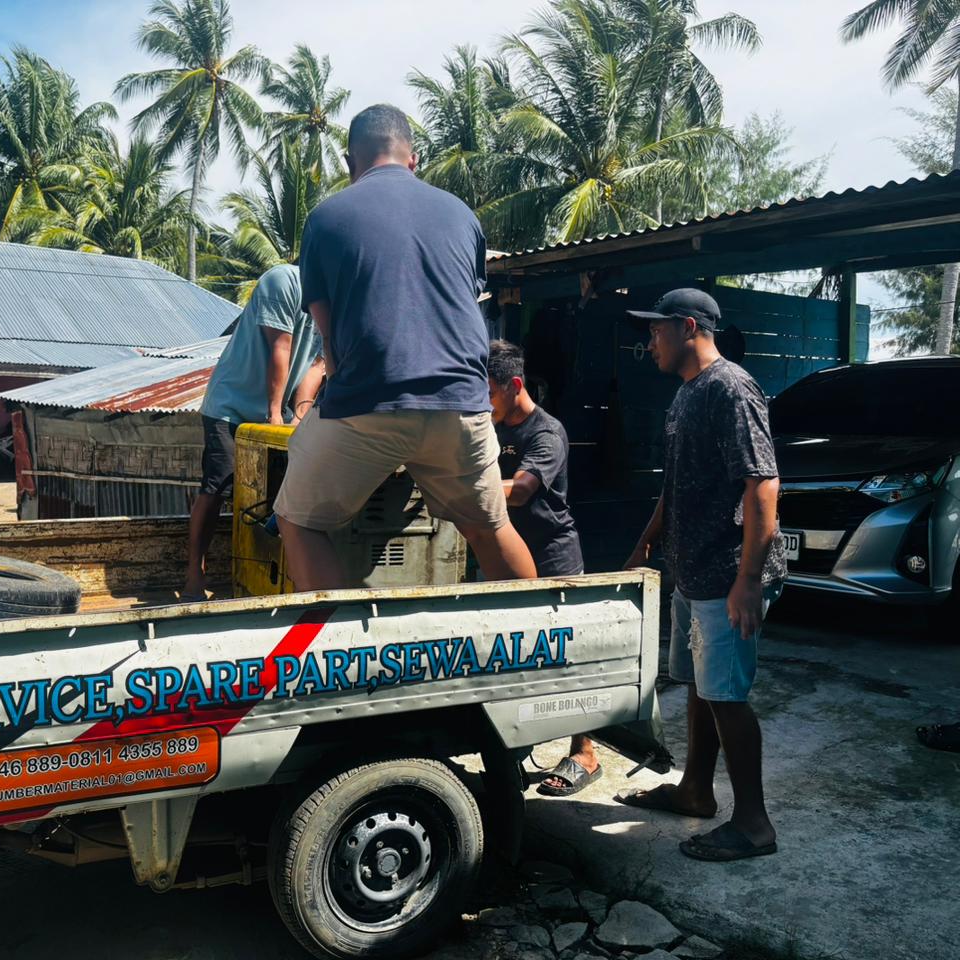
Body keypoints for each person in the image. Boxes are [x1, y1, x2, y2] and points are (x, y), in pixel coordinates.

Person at [273, 104, 537, 589]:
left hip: (368, 402)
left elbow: (329, 335)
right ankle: (537, 624)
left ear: (350, 163)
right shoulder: (462, 215)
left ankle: (336, 634)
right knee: (489, 528)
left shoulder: (326, 217)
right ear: (413, 160)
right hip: (462, 403)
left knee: (297, 519)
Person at [615, 288, 787, 862]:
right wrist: (647, 539)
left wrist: (748, 580)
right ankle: (694, 790)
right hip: (691, 571)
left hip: (726, 574)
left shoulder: (730, 388)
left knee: (727, 696)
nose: (650, 341)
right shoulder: (688, 392)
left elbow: (762, 483)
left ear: (689, 327)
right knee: (698, 686)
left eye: (656, 329)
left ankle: (754, 824)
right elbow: (677, 483)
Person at [487, 340, 596, 796]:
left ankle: (584, 752)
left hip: (553, 557)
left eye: (490, 392)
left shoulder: (546, 432)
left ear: (515, 385)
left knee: (567, 658)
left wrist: (465, 488)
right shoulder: (490, 427)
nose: (484, 402)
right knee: (511, 656)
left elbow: (522, 490)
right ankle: (514, 747)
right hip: (506, 557)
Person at [181, 264, 324, 600]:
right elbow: (280, 348)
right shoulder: (283, 281)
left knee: (281, 492)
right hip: (231, 404)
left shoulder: (340, 299)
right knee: (218, 485)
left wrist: (298, 416)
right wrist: (274, 415)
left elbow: (317, 366)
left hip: (279, 410)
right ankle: (193, 575)